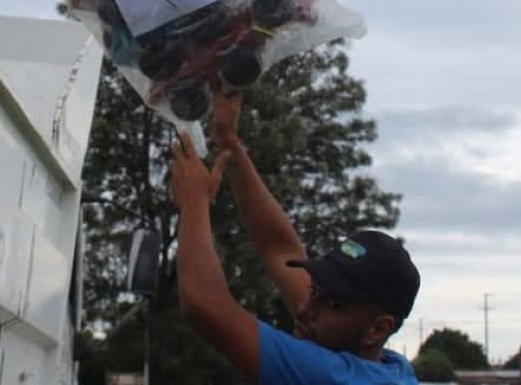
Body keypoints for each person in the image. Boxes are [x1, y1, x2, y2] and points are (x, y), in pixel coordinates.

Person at [170, 92, 420, 384]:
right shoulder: (392, 366)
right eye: (315, 289)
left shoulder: (333, 377)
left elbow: (204, 304)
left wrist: (193, 202)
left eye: (335, 305)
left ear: (378, 330)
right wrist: (229, 145)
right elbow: (281, 250)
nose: (304, 308)